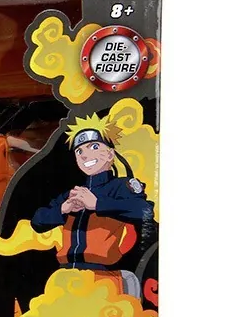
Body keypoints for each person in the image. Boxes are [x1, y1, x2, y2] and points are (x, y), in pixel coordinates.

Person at [30, 112, 153, 280]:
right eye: (79, 151)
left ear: (110, 154)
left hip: (103, 274)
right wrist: (63, 209)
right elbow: (37, 222)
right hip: (65, 275)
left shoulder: (121, 187)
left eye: (94, 147)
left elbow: (145, 211)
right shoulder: (72, 193)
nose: (84, 155)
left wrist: (97, 204)